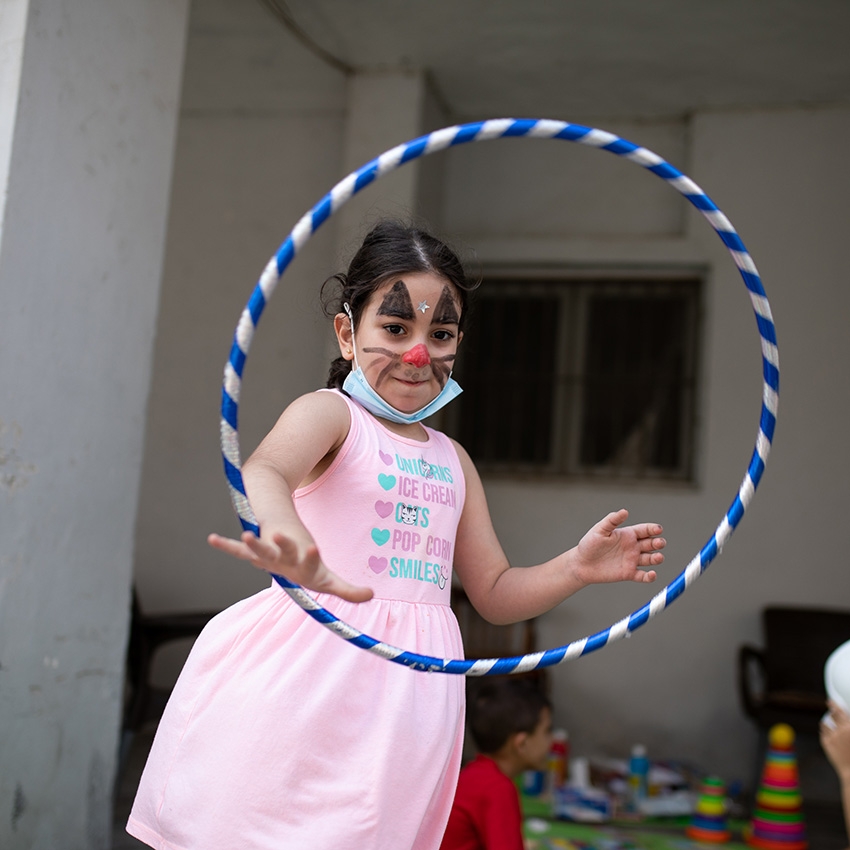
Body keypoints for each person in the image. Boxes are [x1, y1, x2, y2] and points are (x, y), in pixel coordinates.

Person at [126, 219, 666, 850]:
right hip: (306, 682)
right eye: (395, 327)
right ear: (347, 333)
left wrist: (575, 567)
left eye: (440, 334)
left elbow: (492, 588)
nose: (418, 353)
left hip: (403, 713)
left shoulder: (454, 461)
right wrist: (289, 538)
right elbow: (266, 470)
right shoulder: (331, 416)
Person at [440, 680, 552, 850]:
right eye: (547, 731)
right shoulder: (497, 788)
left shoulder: (472, 773)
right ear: (521, 743)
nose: (551, 742)